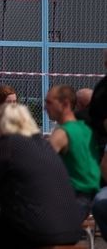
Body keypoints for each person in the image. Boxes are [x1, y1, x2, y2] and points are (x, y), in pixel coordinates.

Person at [0, 102, 83, 248]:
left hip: (39, 231)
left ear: (0, 124)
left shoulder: (8, 145)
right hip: (71, 229)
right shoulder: (44, 145)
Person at [46, 84, 100, 216]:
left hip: (72, 199)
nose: (45, 107)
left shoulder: (62, 133)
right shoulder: (85, 129)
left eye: (49, 102)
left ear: (65, 104)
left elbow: (39, 164)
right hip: (89, 196)